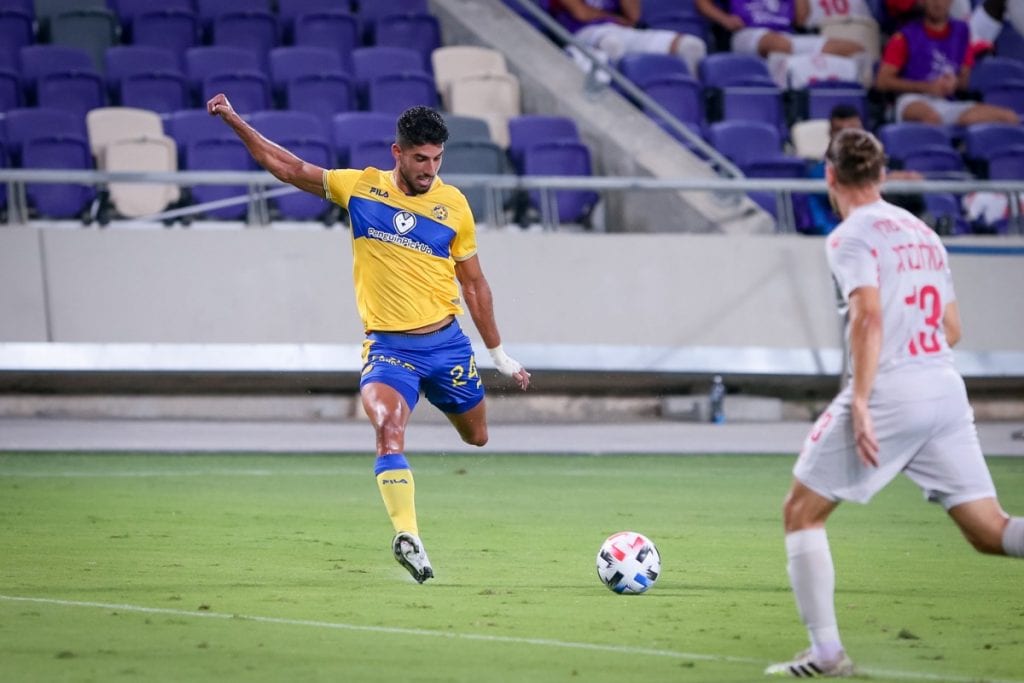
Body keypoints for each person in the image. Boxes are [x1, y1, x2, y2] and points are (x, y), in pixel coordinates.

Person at [206, 94, 531, 584]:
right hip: (389, 350)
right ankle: (408, 536)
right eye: (420, 158)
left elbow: (474, 284)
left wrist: (498, 354)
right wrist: (235, 121)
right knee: (387, 430)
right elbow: (288, 168)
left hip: (446, 346)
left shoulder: (454, 206)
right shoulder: (360, 187)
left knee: (477, 436)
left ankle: (443, 407)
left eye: (437, 159)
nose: (430, 169)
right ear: (397, 152)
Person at [766, 127, 1024, 677]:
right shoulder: (923, 232)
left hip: (892, 390)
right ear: (882, 175)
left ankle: (827, 655)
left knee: (801, 513)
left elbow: (868, 314)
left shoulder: (849, 237)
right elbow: (952, 327)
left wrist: (861, 401)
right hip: (944, 389)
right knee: (991, 531)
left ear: (830, 176)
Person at [875, 0, 1020, 125]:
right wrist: (928, 87)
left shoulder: (962, 32)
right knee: (930, 117)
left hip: (947, 101)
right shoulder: (905, 36)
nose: (938, 3)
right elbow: (882, 81)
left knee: (1009, 117)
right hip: (911, 99)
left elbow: (964, 80)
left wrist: (953, 83)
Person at [805, 104, 924, 235]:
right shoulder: (817, 174)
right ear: (830, 133)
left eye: (853, 131)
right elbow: (819, 222)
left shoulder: (888, 167)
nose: (847, 139)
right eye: (840, 131)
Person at [550, 0, 707, 77]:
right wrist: (615, 18)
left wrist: (615, 20)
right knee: (612, 44)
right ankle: (617, 102)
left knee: (691, 46)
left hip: (618, 29)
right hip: (580, 32)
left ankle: (694, 104)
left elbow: (634, 16)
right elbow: (582, 13)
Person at [694, 0, 864, 58]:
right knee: (779, 44)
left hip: (786, 34)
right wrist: (724, 19)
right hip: (747, 33)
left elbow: (801, 19)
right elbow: (701, 3)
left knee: (853, 49)